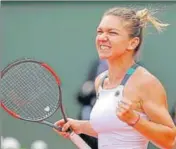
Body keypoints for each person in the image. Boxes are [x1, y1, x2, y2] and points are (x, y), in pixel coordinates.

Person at [54, 7, 176, 149]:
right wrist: (80, 126)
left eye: (112, 33)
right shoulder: (101, 80)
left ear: (133, 43)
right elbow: (113, 130)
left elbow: (171, 141)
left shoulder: (145, 82)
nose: (102, 37)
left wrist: (135, 120)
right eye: (100, 32)